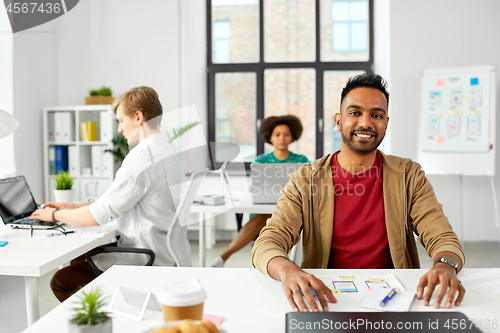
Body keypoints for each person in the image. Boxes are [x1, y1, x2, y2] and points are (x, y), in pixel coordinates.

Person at [251, 73, 465, 312]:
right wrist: (288, 270)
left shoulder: (408, 175)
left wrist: (445, 266)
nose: (366, 123)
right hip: (326, 297)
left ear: (386, 122)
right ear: (339, 120)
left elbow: (443, 237)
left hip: (393, 297)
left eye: (376, 115)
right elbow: (268, 242)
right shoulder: (305, 179)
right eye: (355, 113)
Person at [30, 86, 191, 301]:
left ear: (138, 117)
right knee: (79, 258)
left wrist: (52, 216)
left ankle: (100, 321)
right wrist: (73, 206)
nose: (119, 129)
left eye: (121, 121)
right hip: (163, 250)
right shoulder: (167, 152)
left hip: (144, 255)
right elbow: (115, 201)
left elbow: (96, 217)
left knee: (61, 281)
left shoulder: (142, 158)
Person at [210, 115, 309, 267]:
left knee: (278, 214)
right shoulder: (261, 161)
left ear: (292, 136)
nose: (282, 138)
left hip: (292, 209)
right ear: (270, 137)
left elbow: (307, 187)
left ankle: (223, 258)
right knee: (267, 215)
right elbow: (256, 189)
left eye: (286, 134)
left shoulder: (301, 161)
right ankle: (223, 257)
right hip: (264, 212)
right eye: (277, 134)